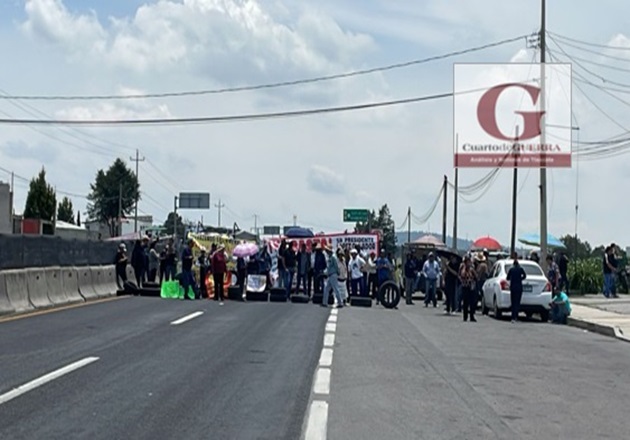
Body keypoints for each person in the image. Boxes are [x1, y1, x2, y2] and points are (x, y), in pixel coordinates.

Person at [506, 254, 527, 323]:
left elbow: (507, 278)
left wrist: (512, 278)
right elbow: (525, 276)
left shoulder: (511, 269)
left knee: (513, 302)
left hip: (513, 287)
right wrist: (520, 279)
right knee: (517, 303)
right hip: (519, 287)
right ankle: (516, 317)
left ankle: (512, 317)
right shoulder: (520, 269)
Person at [459, 255, 477, 322]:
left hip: (471, 287)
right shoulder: (462, 269)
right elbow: (460, 275)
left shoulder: (472, 269)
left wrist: (472, 280)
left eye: (469, 261)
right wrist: (462, 280)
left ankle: (472, 316)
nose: (468, 263)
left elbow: (476, 277)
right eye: (466, 262)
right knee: (465, 302)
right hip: (465, 287)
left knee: (472, 303)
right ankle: (465, 317)